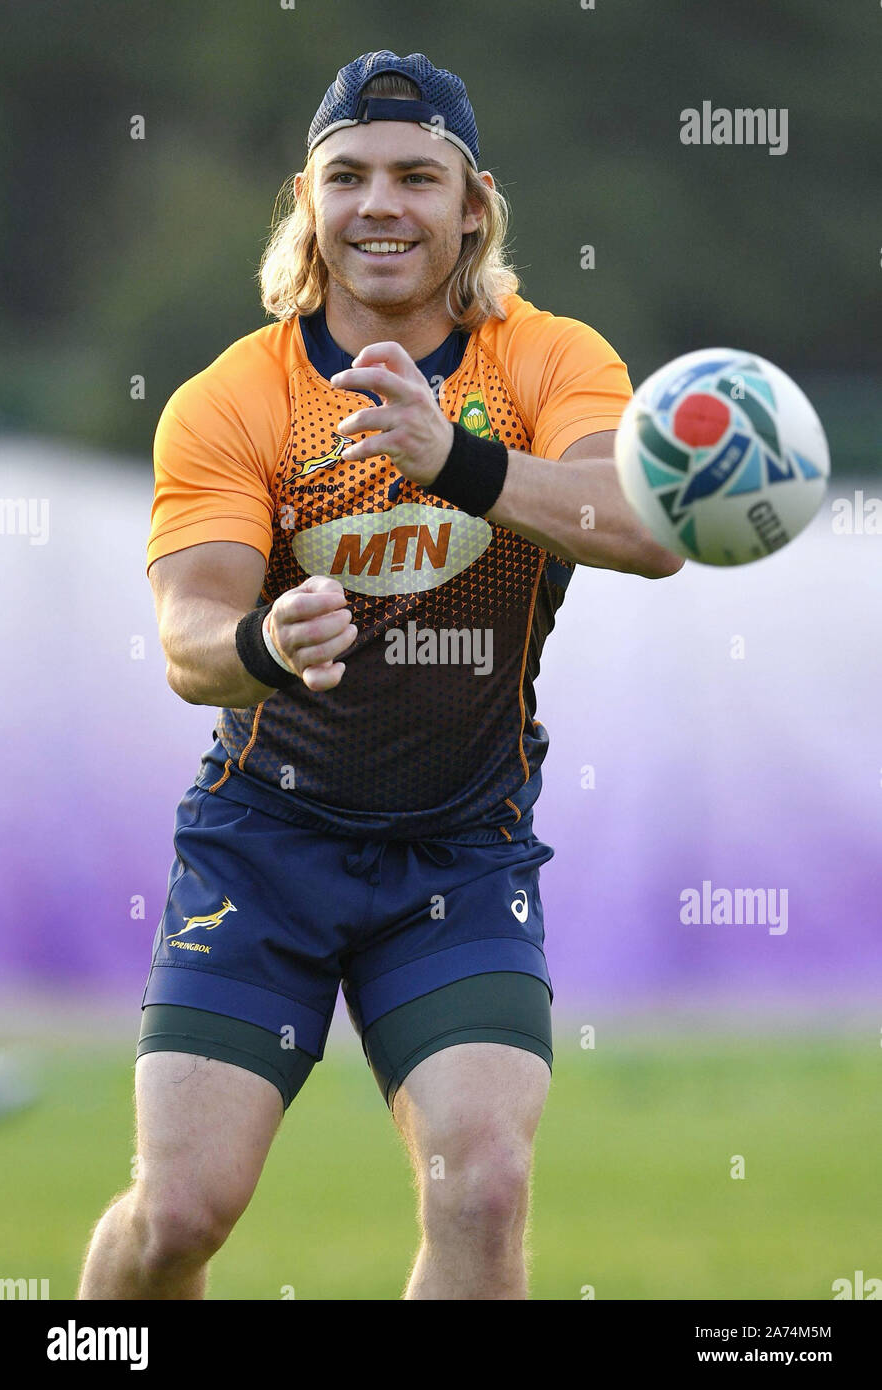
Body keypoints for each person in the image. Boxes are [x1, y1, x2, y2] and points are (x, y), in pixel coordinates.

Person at [78, 49, 682, 1302]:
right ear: (309, 201)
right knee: (179, 1216)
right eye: (348, 176)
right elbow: (189, 636)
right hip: (266, 844)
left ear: (475, 204)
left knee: (484, 1188)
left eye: (418, 175)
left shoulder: (547, 359)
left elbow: (644, 526)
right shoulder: (233, 398)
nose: (381, 204)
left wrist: (453, 457)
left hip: (459, 849)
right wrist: (262, 644)